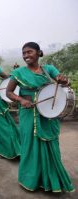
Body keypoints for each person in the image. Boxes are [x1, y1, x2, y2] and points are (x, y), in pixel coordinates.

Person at [6, 42, 75, 192]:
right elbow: (9, 93)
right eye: (23, 53)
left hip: (48, 112)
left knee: (51, 145)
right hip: (28, 112)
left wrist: (64, 81)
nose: (26, 56)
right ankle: (30, 179)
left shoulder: (49, 69)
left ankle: (52, 179)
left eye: (29, 52)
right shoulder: (19, 73)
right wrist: (21, 100)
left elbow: (63, 82)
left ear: (38, 53)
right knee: (30, 143)